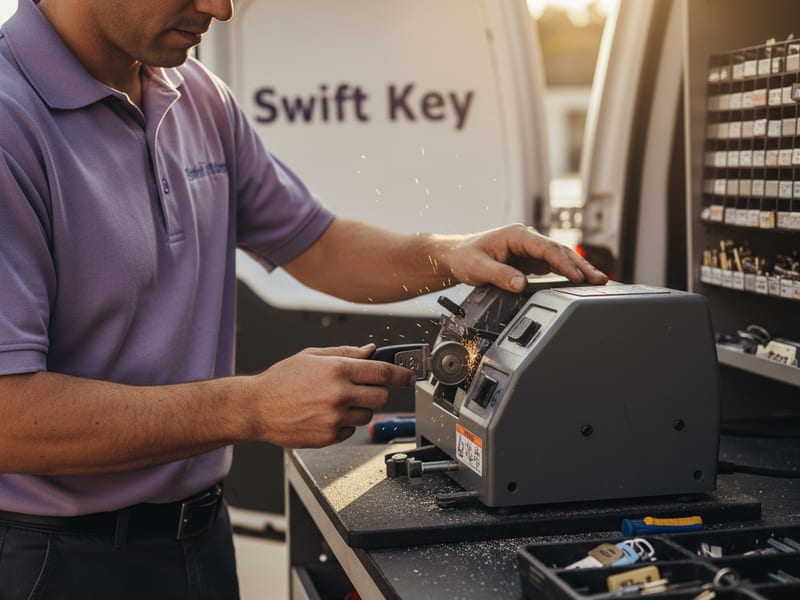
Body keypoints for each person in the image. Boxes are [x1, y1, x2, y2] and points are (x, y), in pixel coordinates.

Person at [0, 0, 607, 597]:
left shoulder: (196, 97)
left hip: (201, 541)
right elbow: (9, 418)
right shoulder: (10, 119)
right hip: (52, 560)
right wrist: (252, 408)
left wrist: (449, 255)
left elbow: (316, 243)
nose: (222, 8)